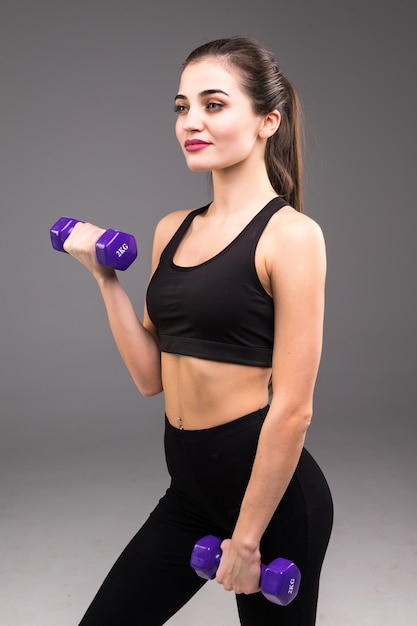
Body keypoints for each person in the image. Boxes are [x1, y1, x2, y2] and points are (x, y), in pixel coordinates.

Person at [63, 36, 333, 626]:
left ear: (268, 120)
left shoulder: (292, 237)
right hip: (190, 492)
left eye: (213, 104)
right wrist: (106, 280)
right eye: (182, 107)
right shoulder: (172, 230)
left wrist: (246, 539)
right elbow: (149, 378)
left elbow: (293, 408)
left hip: (272, 501)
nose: (191, 121)